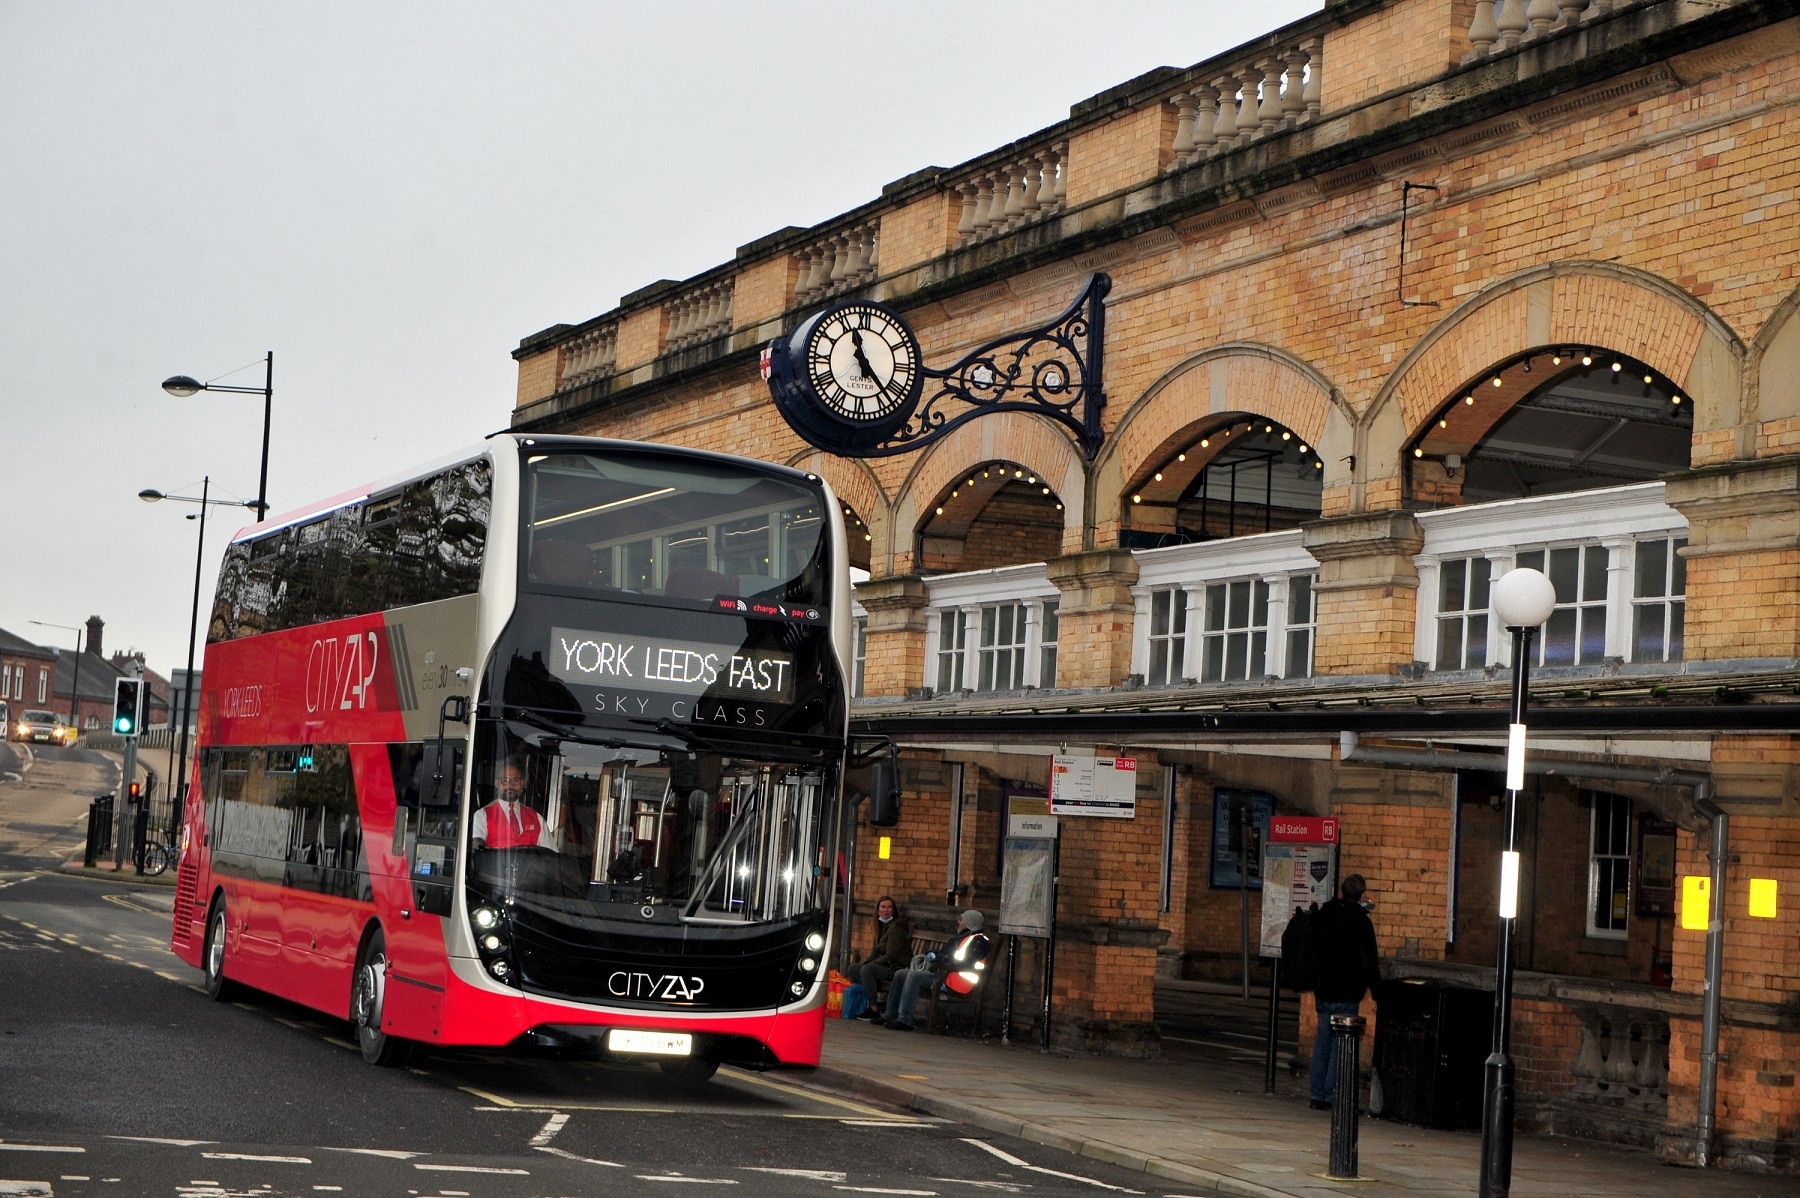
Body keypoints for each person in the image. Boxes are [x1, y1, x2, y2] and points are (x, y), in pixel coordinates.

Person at [1308, 873, 1382, 1110]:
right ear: (1362, 896)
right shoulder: (1362, 921)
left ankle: (1316, 1095)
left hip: (1324, 990)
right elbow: (1368, 960)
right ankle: (1330, 1096)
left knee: (1322, 1042)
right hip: (1348, 993)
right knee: (1341, 1045)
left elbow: (1314, 950)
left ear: (1341, 893)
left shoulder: (1325, 914)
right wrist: (1377, 993)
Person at [881, 909, 990, 1031]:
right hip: (945, 974)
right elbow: (948, 954)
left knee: (914, 976)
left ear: (969, 923)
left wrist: (938, 961)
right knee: (900, 974)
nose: (958, 922)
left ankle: (905, 1020)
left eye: (961, 920)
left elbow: (964, 962)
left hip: (955, 982)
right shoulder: (963, 937)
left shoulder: (978, 941)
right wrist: (933, 954)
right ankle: (889, 1015)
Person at [853, 896, 910, 1021]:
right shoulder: (879, 926)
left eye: (889, 907)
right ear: (877, 910)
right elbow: (875, 950)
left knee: (867, 970)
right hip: (885, 965)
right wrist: (867, 962)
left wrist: (869, 965)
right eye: (883, 907)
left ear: (893, 911)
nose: (886, 910)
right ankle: (862, 1003)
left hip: (896, 967)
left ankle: (874, 1009)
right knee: (853, 969)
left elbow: (891, 955)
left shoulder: (896, 928)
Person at [471, 759, 548, 850]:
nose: (511, 785)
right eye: (505, 780)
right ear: (497, 783)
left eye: (516, 780)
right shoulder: (482, 815)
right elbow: (476, 847)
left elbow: (552, 856)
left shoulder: (537, 818)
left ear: (522, 784)